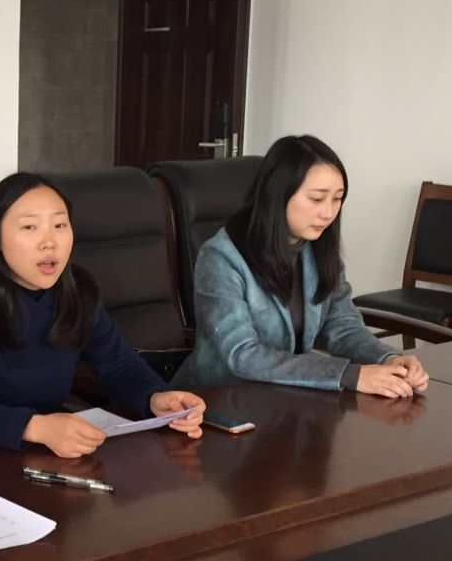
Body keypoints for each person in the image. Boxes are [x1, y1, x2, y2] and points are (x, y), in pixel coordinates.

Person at [0, 173, 205, 458]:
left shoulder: (77, 289)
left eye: (60, 225)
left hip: (39, 455)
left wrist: (155, 397)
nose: (49, 242)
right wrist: (33, 427)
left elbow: (118, 364)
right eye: (29, 227)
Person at [172, 134, 429, 397]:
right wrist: (348, 375)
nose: (328, 213)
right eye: (317, 199)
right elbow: (242, 355)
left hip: (286, 398)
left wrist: (387, 358)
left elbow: (342, 326)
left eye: (337, 199)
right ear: (277, 195)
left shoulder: (317, 248)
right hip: (217, 400)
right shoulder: (221, 257)